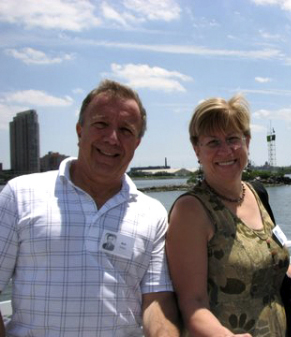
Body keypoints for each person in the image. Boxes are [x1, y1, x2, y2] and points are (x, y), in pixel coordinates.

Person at [0, 79, 180, 336]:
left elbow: (156, 301)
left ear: (137, 143)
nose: (112, 138)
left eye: (126, 130)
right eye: (101, 124)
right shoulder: (20, 195)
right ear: (79, 130)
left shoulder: (152, 214)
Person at [166, 94, 290, 336]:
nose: (225, 151)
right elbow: (192, 303)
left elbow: (268, 261)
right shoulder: (191, 210)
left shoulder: (258, 194)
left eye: (233, 139)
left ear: (247, 142)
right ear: (196, 149)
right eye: (213, 142)